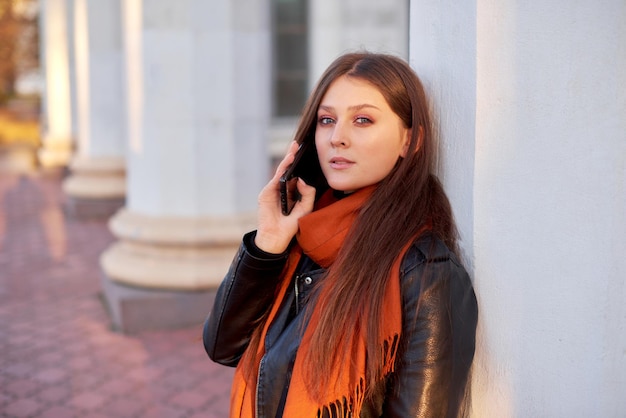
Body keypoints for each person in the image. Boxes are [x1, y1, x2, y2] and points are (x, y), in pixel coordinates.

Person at [203, 52, 478, 418]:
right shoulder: (304, 241)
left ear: (408, 142)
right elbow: (223, 346)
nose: (337, 138)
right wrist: (268, 243)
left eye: (362, 120)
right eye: (327, 120)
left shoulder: (425, 274)